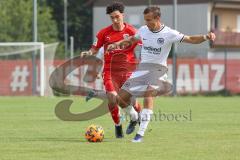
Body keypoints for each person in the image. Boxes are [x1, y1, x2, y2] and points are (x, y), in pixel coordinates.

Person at [107, 6, 216, 142]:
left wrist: (206, 36)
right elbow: (131, 40)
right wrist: (116, 44)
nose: (146, 23)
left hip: (158, 70)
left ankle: (139, 135)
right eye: (145, 20)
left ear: (157, 18)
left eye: (149, 20)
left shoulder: (169, 33)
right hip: (142, 70)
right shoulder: (143, 30)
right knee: (120, 99)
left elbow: (191, 39)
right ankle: (135, 118)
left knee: (148, 95)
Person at [81, 2, 141, 138]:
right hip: (109, 72)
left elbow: (146, 44)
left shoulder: (132, 32)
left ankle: (136, 117)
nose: (115, 20)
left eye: (117, 17)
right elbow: (95, 49)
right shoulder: (104, 33)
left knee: (130, 101)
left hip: (128, 72)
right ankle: (118, 124)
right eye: (112, 18)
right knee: (113, 99)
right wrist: (88, 53)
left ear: (122, 15)